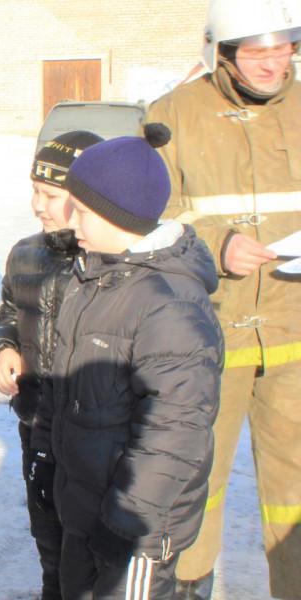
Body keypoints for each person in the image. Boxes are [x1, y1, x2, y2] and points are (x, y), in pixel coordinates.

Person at [145, 0, 301, 597]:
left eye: (282, 47)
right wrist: (216, 243)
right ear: (222, 54)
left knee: (294, 497)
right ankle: (186, 587)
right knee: (193, 483)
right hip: (205, 334)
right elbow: (145, 209)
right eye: (255, 51)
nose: (271, 63)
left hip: (293, 331)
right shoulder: (172, 115)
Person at [31, 124, 224, 600]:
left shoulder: (170, 304)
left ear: (116, 214)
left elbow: (176, 432)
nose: (70, 221)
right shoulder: (94, 277)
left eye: (81, 210)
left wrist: (124, 521)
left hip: (133, 530)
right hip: (85, 507)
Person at [0, 130, 103, 600]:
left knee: (90, 544)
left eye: (52, 194)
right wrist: (1, 350)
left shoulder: (109, 260)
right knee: (48, 534)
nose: (38, 204)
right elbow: (8, 317)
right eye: (35, 189)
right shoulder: (26, 253)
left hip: (95, 435)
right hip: (38, 424)